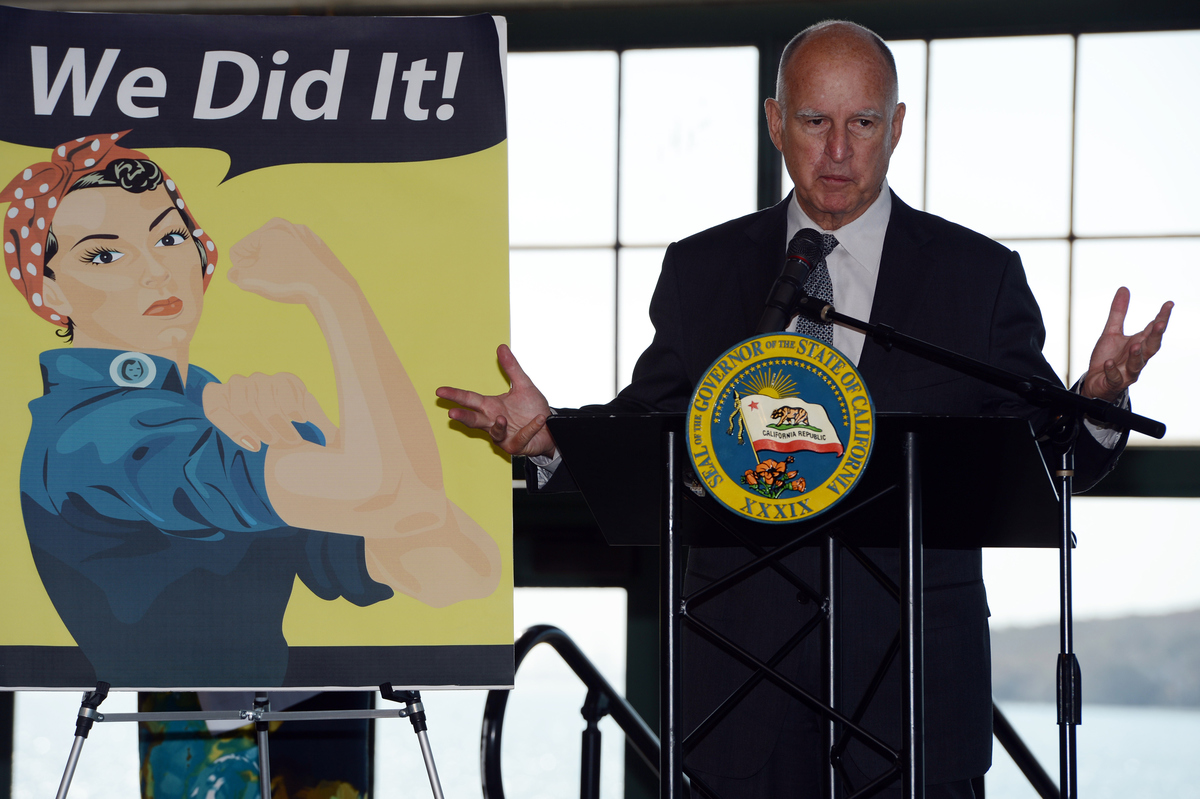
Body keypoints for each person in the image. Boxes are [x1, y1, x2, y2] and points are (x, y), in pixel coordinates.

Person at [438, 20, 1172, 798]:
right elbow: (652, 424)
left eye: (864, 123)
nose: (839, 151)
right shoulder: (701, 270)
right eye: (816, 121)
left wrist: (1098, 402)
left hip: (914, 693)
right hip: (738, 689)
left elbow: (1047, 452)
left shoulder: (978, 276)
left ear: (897, 127)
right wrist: (552, 436)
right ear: (775, 122)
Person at [2, 132, 501, 687]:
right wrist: (335, 295)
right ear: (51, 292)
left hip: (284, 714)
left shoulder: (200, 404)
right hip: (188, 730)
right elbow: (391, 496)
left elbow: (456, 572)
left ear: (200, 250)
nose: (156, 270)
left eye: (168, 237)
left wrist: (321, 431)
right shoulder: (96, 436)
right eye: (104, 255)